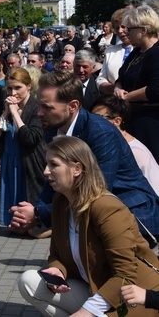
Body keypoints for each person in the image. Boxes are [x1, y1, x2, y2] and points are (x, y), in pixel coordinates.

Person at [9, 70, 159, 241]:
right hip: (91, 217)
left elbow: (98, 192)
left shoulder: (101, 133)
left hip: (133, 217)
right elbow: (52, 182)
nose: (39, 113)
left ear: (73, 106)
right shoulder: (53, 129)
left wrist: (38, 214)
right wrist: (33, 212)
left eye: (47, 107)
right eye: (39, 105)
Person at [17, 136, 159, 317]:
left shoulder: (106, 208)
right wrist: (57, 270)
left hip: (132, 296)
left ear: (77, 169)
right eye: (47, 164)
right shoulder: (61, 201)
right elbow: (56, 254)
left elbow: (125, 274)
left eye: (54, 165)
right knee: (28, 281)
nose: (46, 171)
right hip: (94, 286)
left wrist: (86, 311)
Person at [0, 67, 47, 236]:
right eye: (9, 88)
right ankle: (17, 223)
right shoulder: (8, 106)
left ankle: (52, 228)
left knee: (34, 232)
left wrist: (15, 114)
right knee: (16, 227)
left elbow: (30, 138)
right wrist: (6, 113)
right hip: (10, 161)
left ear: (29, 86)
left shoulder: (36, 107)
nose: (13, 92)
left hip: (29, 163)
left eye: (18, 87)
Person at [114, 5, 159, 162]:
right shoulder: (136, 52)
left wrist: (126, 97)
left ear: (144, 30)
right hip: (132, 118)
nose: (125, 32)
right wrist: (117, 87)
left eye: (130, 29)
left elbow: (155, 90)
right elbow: (122, 76)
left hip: (150, 123)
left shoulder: (156, 53)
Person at [91, 95, 159, 197]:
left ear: (117, 121)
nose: (92, 122)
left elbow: (154, 193)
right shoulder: (102, 145)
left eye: (98, 118)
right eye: (91, 117)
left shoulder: (136, 152)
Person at [97, 8, 132, 94]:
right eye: (117, 28)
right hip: (115, 100)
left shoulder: (143, 49)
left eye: (123, 27)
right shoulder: (110, 51)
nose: (120, 31)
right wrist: (111, 88)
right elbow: (100, 79)